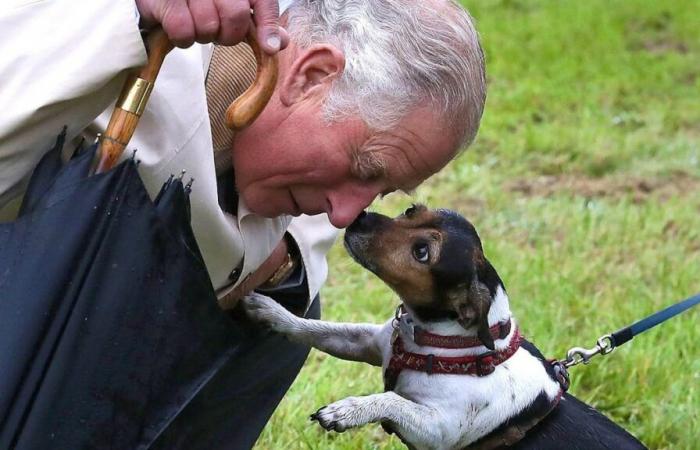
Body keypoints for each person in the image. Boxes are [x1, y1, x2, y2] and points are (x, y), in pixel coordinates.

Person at [0, 0, 486, 448]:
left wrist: (282, 258)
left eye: (379, 193)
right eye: (363, 170)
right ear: (310, 76)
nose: (344, 215)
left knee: (286, 312)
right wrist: (125, 19)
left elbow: (305, 244)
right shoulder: (105, 29)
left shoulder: (300, 177)